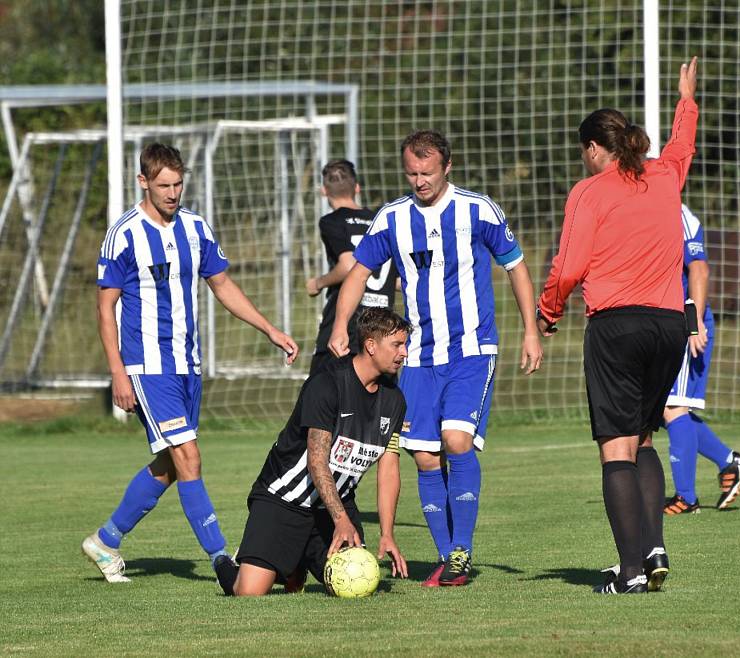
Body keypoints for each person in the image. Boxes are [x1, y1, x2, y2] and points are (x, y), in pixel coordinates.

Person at [329, 130, 543, 587]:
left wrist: (531, 330)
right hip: (418, 356)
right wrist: (339, 326)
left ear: (447, 166)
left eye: (426, 172)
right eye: (411, 172)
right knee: (425, 456)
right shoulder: (392, 217)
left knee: (456, 440)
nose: (419, 180)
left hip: (471, 349)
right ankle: (449, 559)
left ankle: (461, 552)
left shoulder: (477, 210)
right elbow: (358, 271)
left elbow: (517, 267)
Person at [83, 143, 298, 583]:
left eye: (178, 184)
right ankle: (222, 559)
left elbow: (222, 285)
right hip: (147, 365)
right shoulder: (124, 234)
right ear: (143, 181)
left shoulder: (195, 228)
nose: (172, 193)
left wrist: (270, 329)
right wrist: (118, 372)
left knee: (169, 464)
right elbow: (105, 310)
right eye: (163, 185)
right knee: (189, 456)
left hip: (187, 364)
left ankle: (105, 541)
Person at [536, 57, 699, 594]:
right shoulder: (664, 176)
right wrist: (686, 100)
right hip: (669, 326)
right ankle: (652, 548)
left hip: (617, 327)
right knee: (643, 438)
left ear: (593, 148)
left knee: (615, 448)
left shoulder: (589, 191)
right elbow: (682, 147)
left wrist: (548, 310)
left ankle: (629, 571)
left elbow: (571, 264)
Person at [214, 307, 410, 596]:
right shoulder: (327, 384)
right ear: (370, 345)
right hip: (283, 499)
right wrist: (341, 521)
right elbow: (317, 461)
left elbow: (389, 468)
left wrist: (387, 534)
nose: (404, 353)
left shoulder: (394, 401)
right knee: (250, 592)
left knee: (355, 585)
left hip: (332, 507)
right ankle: (229, 566)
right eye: (397, 344)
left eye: (404, 344)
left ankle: (295, 560)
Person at [663, 204, 740, 514]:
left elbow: (699, 268)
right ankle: (731, 462)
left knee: (673, 407)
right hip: (659, 323)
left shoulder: (678, 213)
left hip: (686, 323)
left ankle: (686, 498)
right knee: (664, 408)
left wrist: (694, 322)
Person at [305, 159, 398, 377]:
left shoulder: (331, 221)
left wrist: (318, 283)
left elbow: (347, 265)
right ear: (357, 188)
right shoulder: (380, 220)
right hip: (382, 322)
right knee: (377, 403)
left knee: (321, 401)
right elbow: (394, 278)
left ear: (324, 191)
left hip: (347, 322)